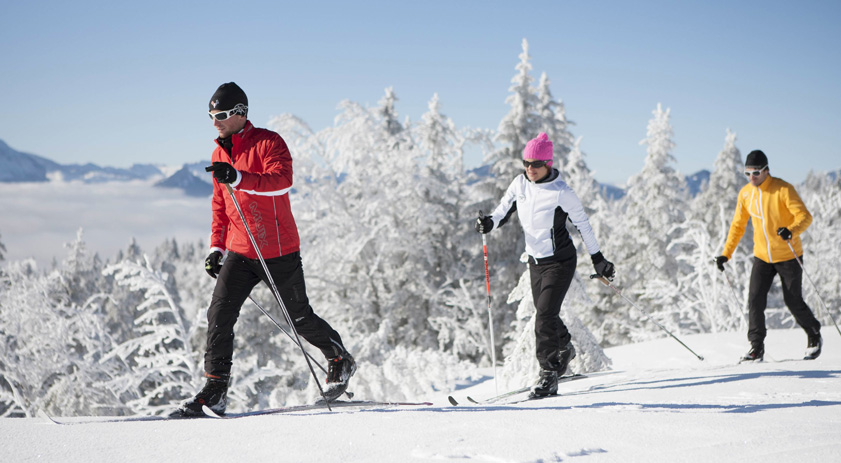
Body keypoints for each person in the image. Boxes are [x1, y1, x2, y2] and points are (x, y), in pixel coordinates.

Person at [171, 82, 355, 417]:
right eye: (211, 115)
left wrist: (239, 177)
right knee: (219, 314)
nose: (216, 121)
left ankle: (339, 358)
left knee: (298, 318)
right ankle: (215, 390)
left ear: (241, 113)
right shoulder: (218, 154)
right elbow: (220, 204)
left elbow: (282, 180)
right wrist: (216, 246)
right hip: (241, 251)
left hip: (278, 248)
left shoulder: (269, 142)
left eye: (223, 114)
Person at [475, 132, 615, 397]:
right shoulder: (520, 184)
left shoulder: (562, 192)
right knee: (545, 312)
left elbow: (583, 225)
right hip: (535, 262)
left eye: (536, 164)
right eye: (526, 163)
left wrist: (598, 259)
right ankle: (564, 348)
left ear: (548, 164)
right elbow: (504, 208)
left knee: (544, 316)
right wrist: (490, 222)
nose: (530, 169)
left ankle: (548, 374)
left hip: (560, 262)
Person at [715, 149, 821, 362]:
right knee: (755, 300)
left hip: (789, 255)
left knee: (792, 300)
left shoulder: (782, 189)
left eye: (755, 173)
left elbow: (805, 216)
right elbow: (737, 226)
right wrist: (726, 254)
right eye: (747, 173)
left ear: (766, 171)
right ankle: (756, 348)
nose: (751, 178)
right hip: (763, 257)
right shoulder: (746, 194)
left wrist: (791, 230)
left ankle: (813, 333)